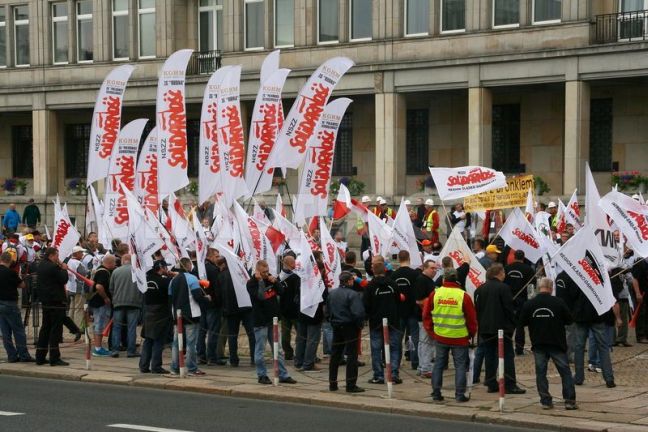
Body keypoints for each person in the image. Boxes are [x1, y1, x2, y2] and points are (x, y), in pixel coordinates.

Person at [520, 277, 577, 410]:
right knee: (565, 372)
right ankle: (569, 401)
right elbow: (569, 320)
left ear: (539, 288)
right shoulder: (559, 302)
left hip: (539, 342)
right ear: (551, 288)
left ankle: (545, 400)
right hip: (556, 342)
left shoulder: (530, 303)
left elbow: (521, 322)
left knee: (541, 373)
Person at [423, 267, 477, 402]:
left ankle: (436, 393)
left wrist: (431, 331)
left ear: (443, 279)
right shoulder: (463, 295)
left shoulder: (435, 294)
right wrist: (471, 334)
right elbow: (471, 319)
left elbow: (426, 314)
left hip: (440, 335)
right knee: (460, 366)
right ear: (457, 279)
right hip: (459, 337)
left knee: (439, 365)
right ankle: (459, 395)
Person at [475, 263, 525, 394]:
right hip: (502, 329)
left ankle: (491, 382)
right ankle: (510, 384)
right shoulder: (503, 288)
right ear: (499, 273)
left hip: (485, 328)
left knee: (489, 355)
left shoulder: (479, 289)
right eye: (503, 273)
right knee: (507, 356)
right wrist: (514, 323)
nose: (505, 275)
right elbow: (509, 309)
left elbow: (478, 310)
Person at [247, 260, 297, 385]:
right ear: (257, 271)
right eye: (263, 272)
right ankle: (262, 375)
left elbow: (281, 292)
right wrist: (260, 281)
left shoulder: (270, 279)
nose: (266, 274)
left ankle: (283, 374)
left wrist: (277, 282)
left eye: (267, 271)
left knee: (278, 350)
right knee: (260, 350)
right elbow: (261, 296)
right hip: (260, 321)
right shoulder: (251, 283)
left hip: (273, 320)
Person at [169, 257, 211, 376]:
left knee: (177, 342)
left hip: (177, 315)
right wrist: (207, 299)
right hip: (192, 315)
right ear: (188, 266)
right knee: (191, 343)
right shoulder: (192, 278)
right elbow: (197, 296)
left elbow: (170, 298)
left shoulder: (173, 280)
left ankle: (175, 367)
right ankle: (192, 368)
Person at [365, 260, 402, 384]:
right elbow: (398, 300)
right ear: (385, 270)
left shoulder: (370, 286)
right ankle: (394, 374)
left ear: (373, 271)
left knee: (376, 350)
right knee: (395, 348)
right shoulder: (393, 284)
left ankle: (379, 375)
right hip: (393, 320)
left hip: (376, 322)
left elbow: (366, 305)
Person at [328, 271, 365, 393]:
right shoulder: (353, 294)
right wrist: (359, 325)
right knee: (352, 356)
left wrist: (332, 321)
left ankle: (332, 383)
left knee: (335, 355)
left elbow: (327, 311)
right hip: (349, 326)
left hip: (337, 325)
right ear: (349, 281)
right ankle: (351, 384)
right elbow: (358, 313)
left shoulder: (332, 293)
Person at [35, 247, 70, 366]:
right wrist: (64, 269)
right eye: (57, 255)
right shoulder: (53, 266)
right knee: (55, 330)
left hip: (46, 301)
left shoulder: (41, 265)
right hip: (55, 301)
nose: (58, 258)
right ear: (52, 255)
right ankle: (54, 358)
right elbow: (63, 279)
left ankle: (40, 356)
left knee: (45, 328)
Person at [220, 258, 256, 367]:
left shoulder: (222, 275)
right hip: (246, 308)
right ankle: (254, 358)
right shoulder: (244, 272)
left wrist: (223, 307)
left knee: (232, 336)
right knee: (251, 334)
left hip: (230, 309)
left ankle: (233, 360)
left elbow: (219, 293)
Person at [0, 252, 34, 363]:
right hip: (10, 303)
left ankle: (12, 355)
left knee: (5, 332)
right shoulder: (11, 272)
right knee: (18, 330)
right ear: (10, 260)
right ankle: (23, 355)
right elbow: (22, 285)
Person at [139, 260, 172, 374]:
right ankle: (156, 366)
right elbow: (171, 293)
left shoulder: (146, 279)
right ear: (161, 268)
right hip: (161, 312)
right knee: (158, 341)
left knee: (148, 340)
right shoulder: (164, 281)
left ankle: (143, 365)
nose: (167, 269)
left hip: (148, 311)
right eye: (165, 267)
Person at [391, 250, 421, 371]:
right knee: (414, 337)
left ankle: (396, 362)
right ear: (409, 258)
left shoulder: (394, 275)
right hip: (412, 311)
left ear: (399, 259)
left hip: (399, 311)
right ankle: (415, 361)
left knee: (397, 338)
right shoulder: (415, 275)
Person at [109, 254, 143, 357]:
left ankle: (115, 350)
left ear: (123, 260)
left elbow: (111, 288)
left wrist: (115, 297)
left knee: (116, 327)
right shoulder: (137, 272)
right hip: (134, 303)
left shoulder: (116, 271)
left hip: (118, 303)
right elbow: (142, 288)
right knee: (131, 328)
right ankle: (131, 351)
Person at [504, 250, 536, 355]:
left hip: (508, 299)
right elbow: (531, 288)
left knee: (509, 324)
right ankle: (519, 349)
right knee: (520, 325)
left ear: (514, 256)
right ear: (523, 257)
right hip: (523, 301)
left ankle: (506, 346)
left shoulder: (507, 268)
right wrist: (530, 302)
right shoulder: (529, 270)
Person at [197, 248, 223, 365]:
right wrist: (220, 302)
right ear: (210, 256)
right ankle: (212, 357)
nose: (218, 259)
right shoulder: (213, 269)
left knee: (202, 331)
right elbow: (218, 288)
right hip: (213, 305)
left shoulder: (201, 267)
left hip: (202, 303)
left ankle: (201, 356)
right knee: (213, 331)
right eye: (216, 256)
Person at [89, 254, 116, 356]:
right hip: (100, 302)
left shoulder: (99, 269)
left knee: (99, 323)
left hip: (97, 301)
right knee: (99, 323)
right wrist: (105, 297)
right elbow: (99, 286)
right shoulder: (104, 272)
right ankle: (98, 348)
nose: (115, 264)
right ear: (109, 262)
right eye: (114, 263)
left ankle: (98, 346)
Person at [415, 260, 439, 378]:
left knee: (424, 342)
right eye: (432, 268)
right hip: (424, 316)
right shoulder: (422, 280)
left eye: (435, 269)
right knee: (426, 342)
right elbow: (419, 300)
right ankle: (425, 368)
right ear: (425, 268)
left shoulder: (429, 281)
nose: (434, 271)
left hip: (426, 315)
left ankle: (422, 366)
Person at [279, 255, 300, 360]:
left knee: (285, 334)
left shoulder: (279, 277)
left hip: (284, 310)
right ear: (290, 263)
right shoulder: (296, 277)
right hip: (295, 311)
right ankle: (298, 353)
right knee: (299, 333)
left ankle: (288, 353)